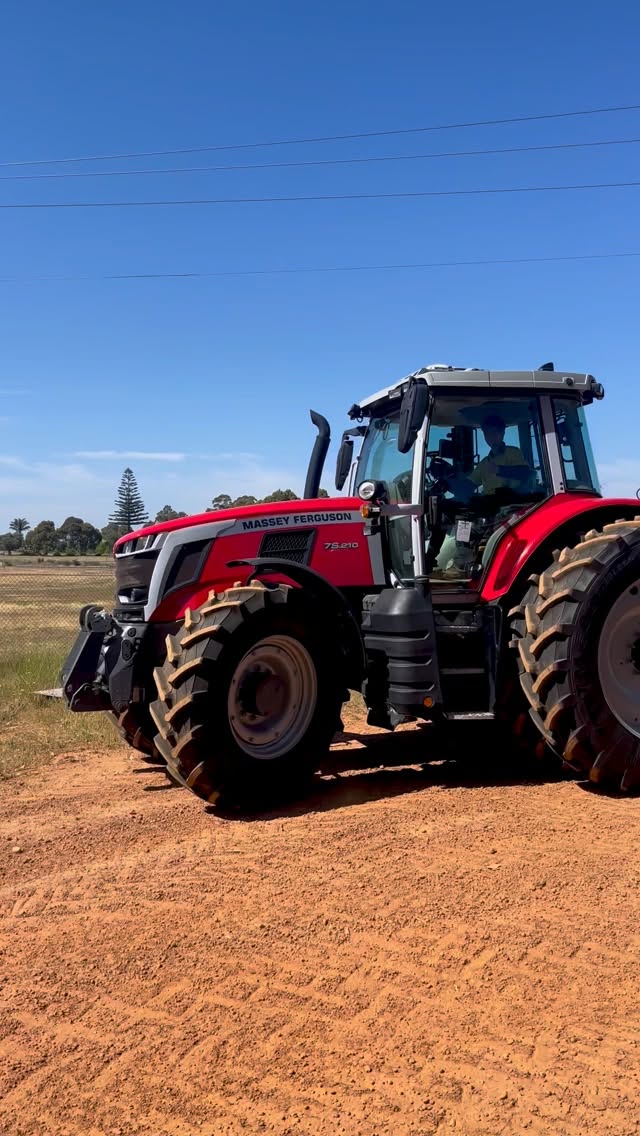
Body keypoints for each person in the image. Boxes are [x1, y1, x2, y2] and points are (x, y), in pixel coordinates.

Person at [468, 414, 532, 495]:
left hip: (513, 503)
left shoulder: (513, 452)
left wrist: (500, 470)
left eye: (494, 432)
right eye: (487, 434)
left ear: (502, 433)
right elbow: (469, 484)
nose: (491, 437)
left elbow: (525, 473)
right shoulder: (485, 463)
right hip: (491, 504)